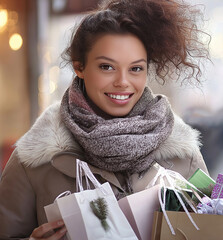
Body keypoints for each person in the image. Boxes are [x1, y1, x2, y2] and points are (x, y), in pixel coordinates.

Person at [0, 0, 210, 239]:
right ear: (79, 67)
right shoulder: (33, 162)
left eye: (136, 69)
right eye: (107, 67)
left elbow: (218, 230)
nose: (122, 81)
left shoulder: (183, 155)